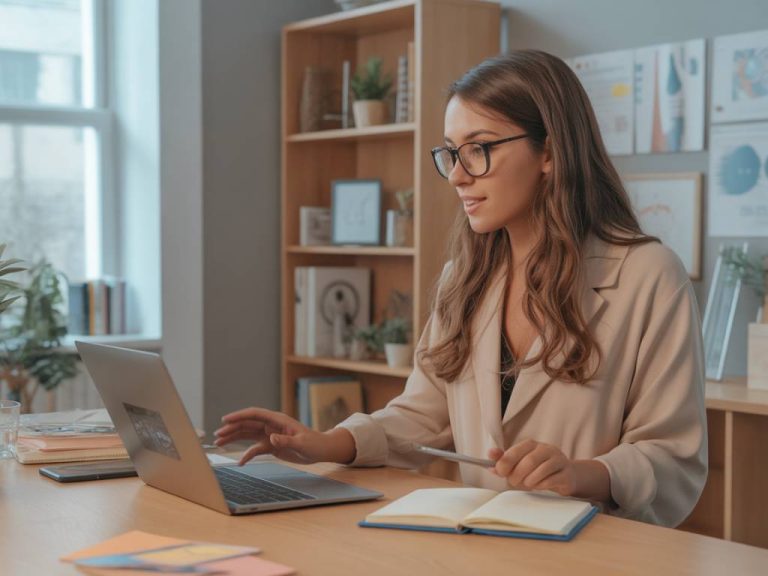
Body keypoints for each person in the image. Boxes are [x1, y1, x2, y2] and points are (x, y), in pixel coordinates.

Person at [215, 50, 707, 528]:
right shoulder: (463, 277)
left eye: (478, 150)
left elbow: (673, 460)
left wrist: (582, 475)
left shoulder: (649, 275)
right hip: (482, 547)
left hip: (596, 555)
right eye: (451, 153)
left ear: (551, 153)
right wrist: (323, 443)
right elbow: (420, 417)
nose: (455, 175)